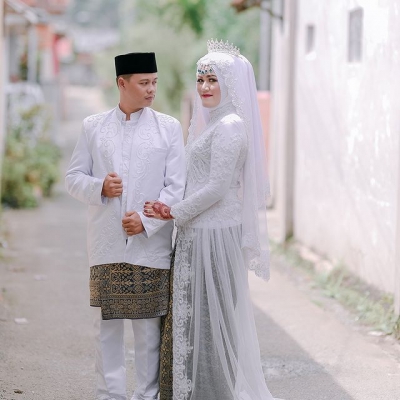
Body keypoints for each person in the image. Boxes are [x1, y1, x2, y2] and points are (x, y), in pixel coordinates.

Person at [144, 40, 276, 400]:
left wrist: (175, 211)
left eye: (213, 79)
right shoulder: (213, 124)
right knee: (197, 318)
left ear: (230, 83)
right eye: (200, 79)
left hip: (216, 233)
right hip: (198, 230)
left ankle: (213, 393)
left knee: (212, 320)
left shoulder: (230, 126)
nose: (204, 86)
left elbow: (217, 187)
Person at [65, 52, 186, 400]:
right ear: (122, 83)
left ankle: (146, 396)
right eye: (144, 82)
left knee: (148, 328)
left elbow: (176, 187)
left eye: (154, 82)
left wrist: (145, 221)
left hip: (151, 245)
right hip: (106, 244)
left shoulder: (168, 128)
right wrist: (100, 187)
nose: (151, 89)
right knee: (106, 328)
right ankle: (110, 396)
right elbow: (73, 177)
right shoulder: (93, 126)